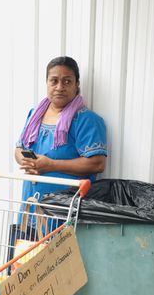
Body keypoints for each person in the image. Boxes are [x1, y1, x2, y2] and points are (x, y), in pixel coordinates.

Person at [14, 56, 107, 201]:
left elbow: (97, 163)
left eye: (67, 81)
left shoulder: (86, 120)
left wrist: (50, 165)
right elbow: (19, 149)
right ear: (47, 82)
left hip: (65, 210)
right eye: (54, 81)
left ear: (77, 84)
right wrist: (30, 163)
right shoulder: (34, 115)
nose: (59, 87)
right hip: (30, 205)